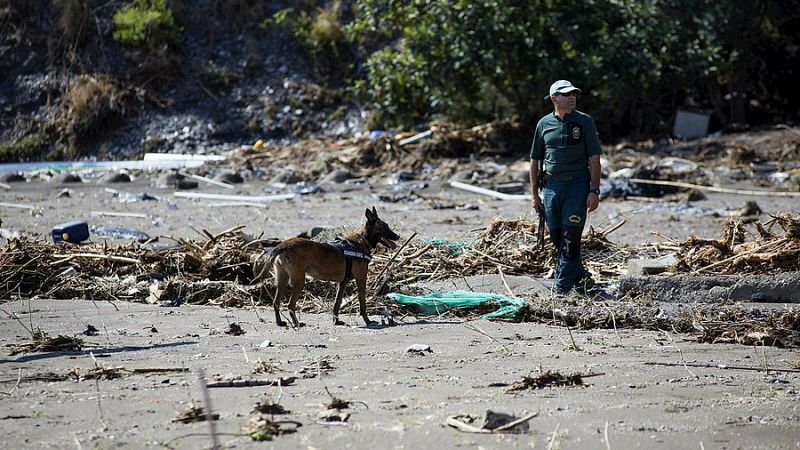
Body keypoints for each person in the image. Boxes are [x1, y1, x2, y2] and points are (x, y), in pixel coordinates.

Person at [529, 80, 602, 295]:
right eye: (566, 94)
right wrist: (534, 195)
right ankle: (582, 279)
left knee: (571, 238)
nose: (572, 97)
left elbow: (594, 157)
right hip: (552, 188)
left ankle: (561, 288)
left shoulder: (585, 122)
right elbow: (534, 160)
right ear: (554, 99)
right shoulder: (543, 124)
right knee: (558, 239)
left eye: (574, 94)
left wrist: (594, 190)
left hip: (577, 187)